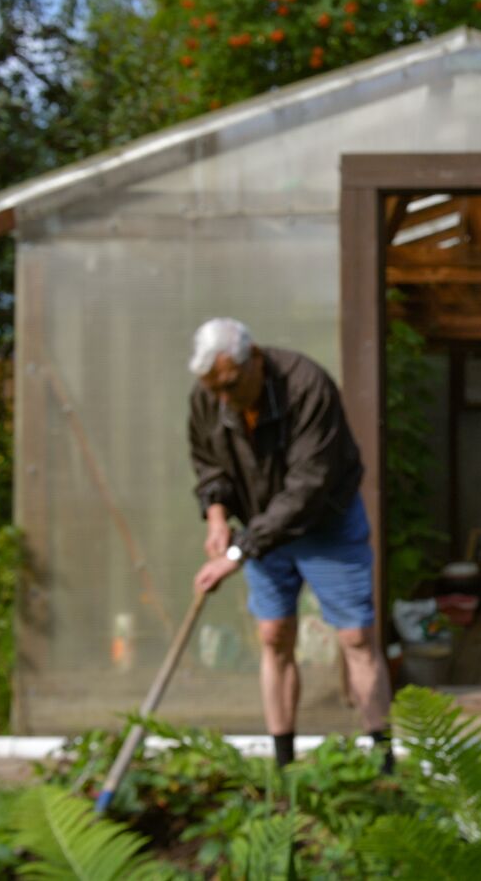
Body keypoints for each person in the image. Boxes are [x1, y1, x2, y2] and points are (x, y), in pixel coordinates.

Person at [186, 317, 391, 769]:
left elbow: (307, 486)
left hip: (325, 521)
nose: (224, 399)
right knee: (273, 635)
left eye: (231, 385)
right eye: (214, 389)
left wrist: (239, 551)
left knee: (356, 637)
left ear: (254, 358)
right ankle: (283, 765)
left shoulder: (307, 386)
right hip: (261, 527)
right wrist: (217, 517)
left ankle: (384, 762)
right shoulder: (209, 395)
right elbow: (208, 465)